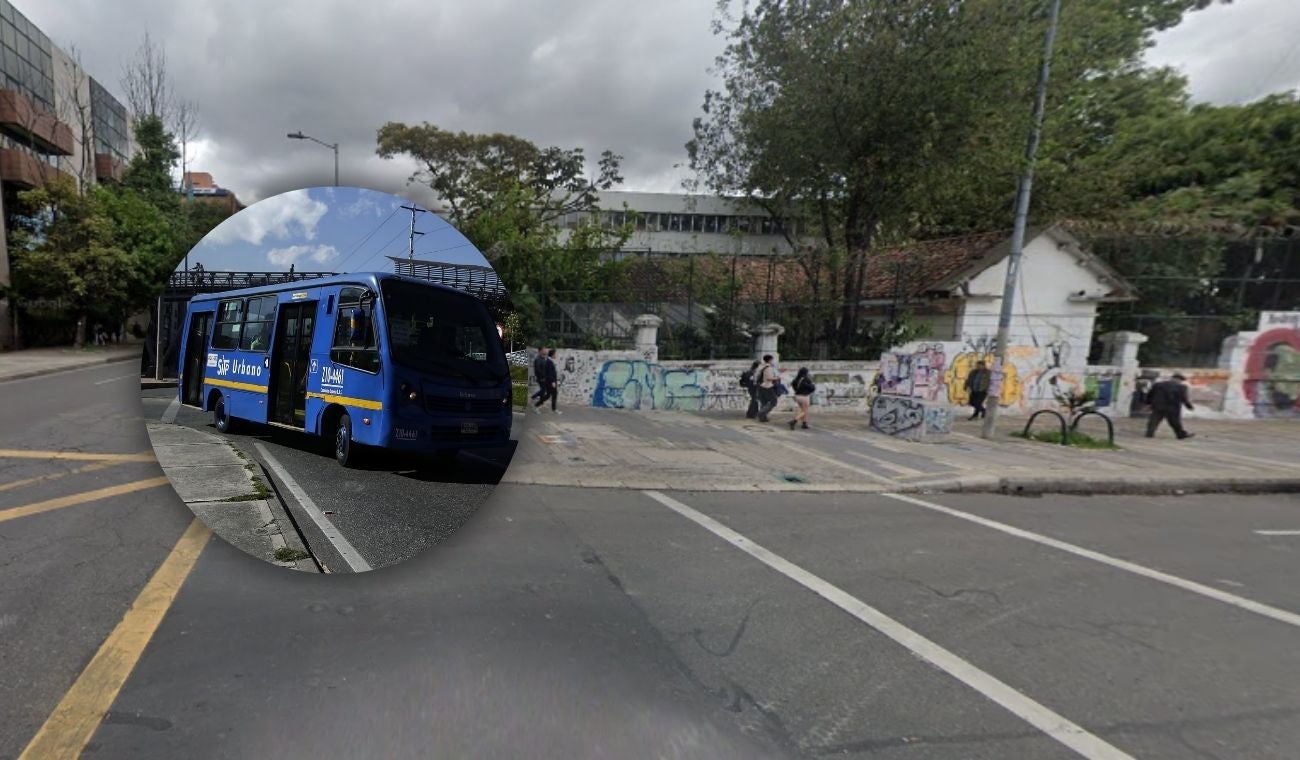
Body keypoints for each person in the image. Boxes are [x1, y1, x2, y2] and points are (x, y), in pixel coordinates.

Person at [1145, 373, 1195, 439]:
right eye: (1180, 380)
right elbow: (1184, 398)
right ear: (1177, 379)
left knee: (1154, 420)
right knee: (1175, 422)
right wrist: (1189, 406)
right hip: (1172, 408)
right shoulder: (1182, 387)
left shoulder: (1158, 385)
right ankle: (1180, 435)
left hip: (1158, 406)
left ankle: (1149, 433)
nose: (1180, 382)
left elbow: (1150, 394)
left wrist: (1148, 403)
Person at [754, 354, 779, 423]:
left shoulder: (761, 366)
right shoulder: (768, 367)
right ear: (770, 360)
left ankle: (763, 418)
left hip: (760, 386)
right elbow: (768, 378)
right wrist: (777, 378)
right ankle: (761, 413)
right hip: (767, 386)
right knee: (774, 401)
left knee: (763, 402)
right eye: (772, 360)